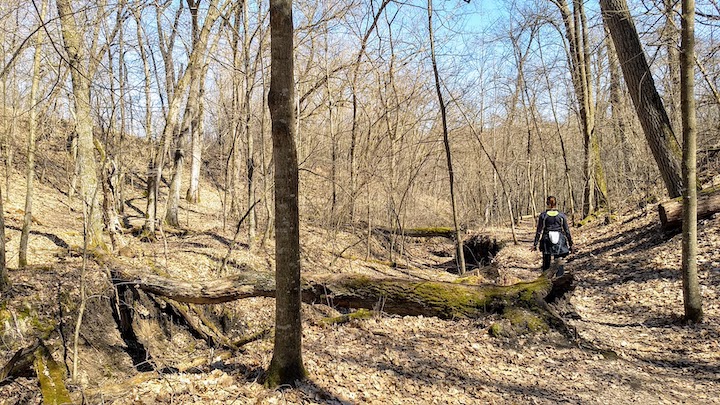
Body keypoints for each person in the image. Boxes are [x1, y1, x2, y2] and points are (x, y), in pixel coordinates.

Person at [531, 196, 573, 277]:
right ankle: (560, 281)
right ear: (556, 203)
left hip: (546, 240)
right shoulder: (561, 215)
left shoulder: (543, 215)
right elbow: (567, 230)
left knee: (546, 263)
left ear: (547, 203)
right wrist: (571, 244)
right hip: (560, 240)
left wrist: (535, 244)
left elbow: (539, 231)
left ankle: (545, 281)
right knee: (559, 262)